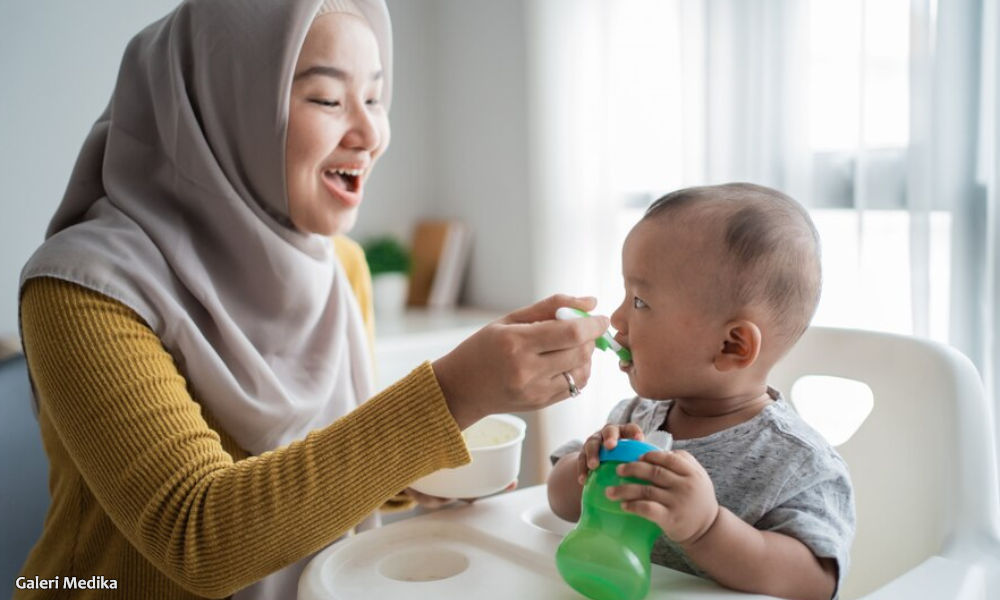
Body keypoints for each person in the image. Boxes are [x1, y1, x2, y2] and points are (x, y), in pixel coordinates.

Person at [14, 1, 609, 599]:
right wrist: (453, 393)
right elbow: (198, 537)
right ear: (224, 106)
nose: (371, 134)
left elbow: (305, 462)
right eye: (327, 99)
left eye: (374, 97)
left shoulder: (338, 265)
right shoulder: (80, 287)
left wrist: (407, 475)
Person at [546, 183, 855, 600]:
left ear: (732, 346)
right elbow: (559, 500)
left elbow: (815, 582)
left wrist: (707, 528)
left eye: (639, 302)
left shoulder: (796, 462)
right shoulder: (635, 417)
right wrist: (589, 470)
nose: (617, 319)